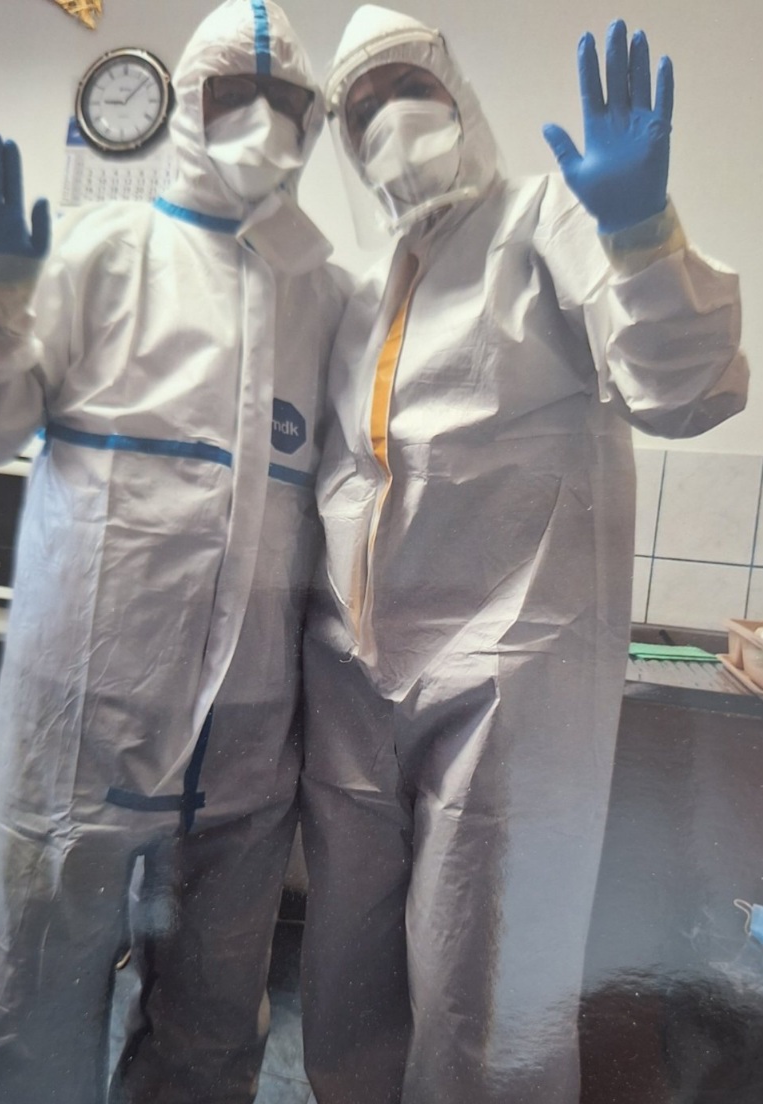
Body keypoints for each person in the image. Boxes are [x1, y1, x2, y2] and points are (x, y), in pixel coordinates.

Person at [300, 7, 748, 1104]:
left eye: (408, 88)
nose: (389, 121)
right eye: (361, 109)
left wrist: (641, 231)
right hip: (353, 677)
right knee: (347, 971)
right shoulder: (364, 285)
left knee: (487, 985)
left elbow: (680, 389)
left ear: (456, 96)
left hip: (505, 680)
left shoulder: (547, 220)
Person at [0, 3, 348, 1103]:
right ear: (188, 107)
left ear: (314, 123)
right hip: (82, 726)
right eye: (234, 97)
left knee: (211, 1030)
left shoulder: (323, 293)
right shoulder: (101, 251)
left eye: (286, 103)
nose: (262, 122)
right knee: (34, 1011)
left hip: (246, 748)